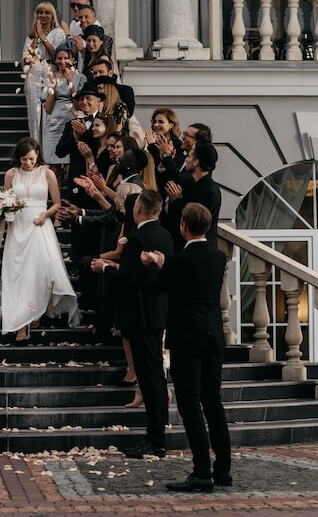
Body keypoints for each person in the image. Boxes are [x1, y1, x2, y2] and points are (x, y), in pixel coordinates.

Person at [141, 203, 231, 492]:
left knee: (190, 404)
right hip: (213, 335)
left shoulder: (179, 261)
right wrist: (167, 262)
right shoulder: (219, 258)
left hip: (187, 338)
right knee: (213, 402)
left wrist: (154, 264)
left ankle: (202, 471)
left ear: (183, 226)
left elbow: (154, 287)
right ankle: (223, 470)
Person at [91, 190, 174, 457]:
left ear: (138, 208)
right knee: (154, 377)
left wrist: (104, 268)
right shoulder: (165, 235)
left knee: (151, 379)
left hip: (139, 314)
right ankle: (155, 436)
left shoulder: (139, 238)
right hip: (157, 313)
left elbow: (126, 277)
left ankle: (156, 439)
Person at [1, 138, 80, 342]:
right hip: (17, 226)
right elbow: (6, 200)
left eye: (31, 159)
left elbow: (56, 203)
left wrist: (45, 216)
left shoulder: (47, 173)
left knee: (37, 272)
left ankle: (34, 312)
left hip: (39, 225)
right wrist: (5, 212)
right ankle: (23, 317)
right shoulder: (11, 174)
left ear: (37, 155)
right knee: (18, 273)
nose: (27, 163)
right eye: (24, 159)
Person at [155, 138, 221, 250]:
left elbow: (196, 221)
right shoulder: (192, 183)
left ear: (196, 162)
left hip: (199, 251)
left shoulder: (210, 191)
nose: (186, 160)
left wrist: (177, 201)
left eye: (189, 157)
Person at [22, 2, 66, 143]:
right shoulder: (30, 37)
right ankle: (35, 146)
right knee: (34, 113)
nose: (43, 15)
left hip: (50, 72)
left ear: (52, 16)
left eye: (47, 13)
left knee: (47, 112)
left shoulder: (58, 33)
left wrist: (43, 37)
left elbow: (57, 55)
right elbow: (26, 59)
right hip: (33, 74)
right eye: (40, 12)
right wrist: (36, 37)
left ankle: (47, 148)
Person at [43, 45, 86, 185]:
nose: (62, 61)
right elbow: (47, 109)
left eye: (66, 58)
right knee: (54, 167)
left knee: (71, 165)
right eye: (59, 58)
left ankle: (70, 200)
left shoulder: (80, 78)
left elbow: (80, 105)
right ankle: (57, 200)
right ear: (55, 60)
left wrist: (71, 84)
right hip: (53, 125)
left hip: (71, 122)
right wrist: (53, 89)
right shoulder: (50, 77)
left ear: (72, 59)